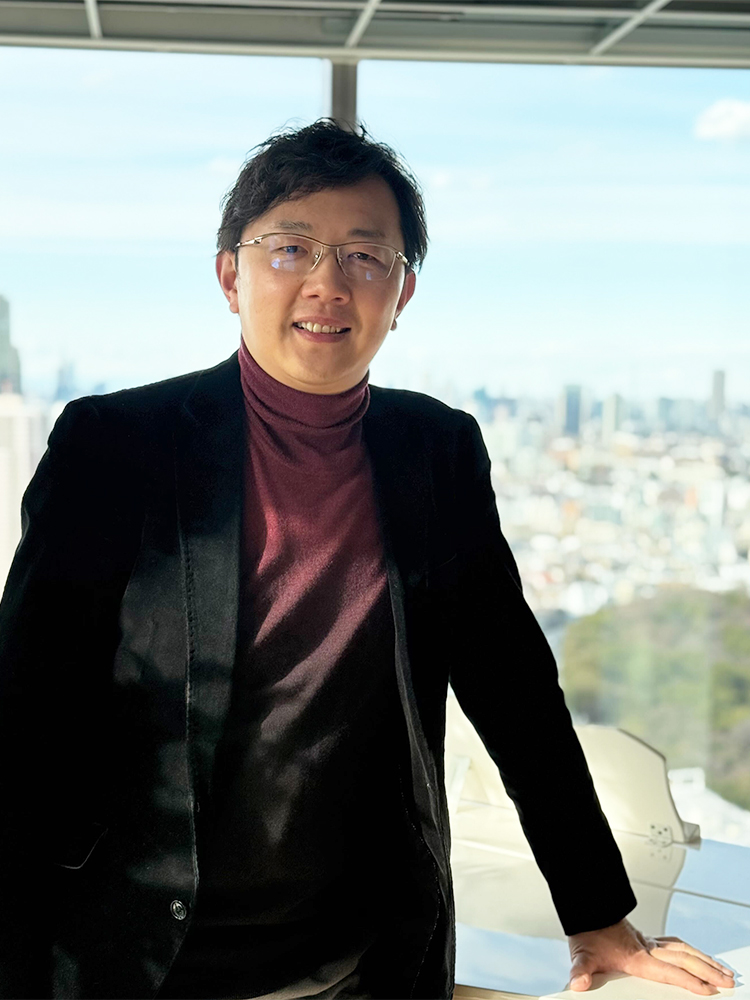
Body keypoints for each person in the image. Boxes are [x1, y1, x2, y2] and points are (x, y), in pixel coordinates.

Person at [0, 120, 734, 1000]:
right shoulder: (117, 445)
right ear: (231, 274)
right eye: (291, 248)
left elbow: (515, 691)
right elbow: (27, 705)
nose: (325, 282)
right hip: (132, 948)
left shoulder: (437, 451)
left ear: (403, 292)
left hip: (357, 954)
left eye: (363, 256)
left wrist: (599, 917)